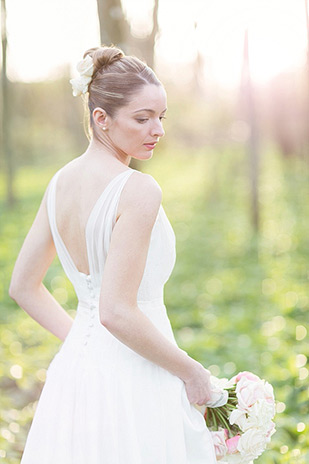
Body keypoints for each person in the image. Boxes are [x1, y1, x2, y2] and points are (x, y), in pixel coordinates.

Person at [9, 45, 225, 463]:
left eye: (161, 117)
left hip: (76, 372)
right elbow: (116, 311)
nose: (157, 130)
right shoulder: (138, 189)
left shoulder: (60, 183)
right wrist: (192, 372)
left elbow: (23, 286)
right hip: (136, 373)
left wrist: (81, 341)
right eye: (142, 119)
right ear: (101, 118)